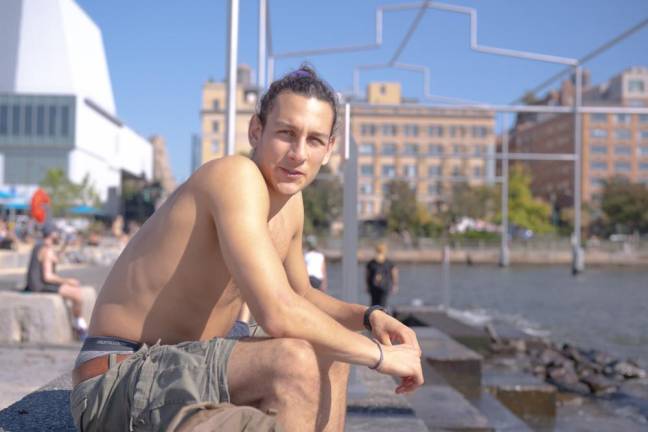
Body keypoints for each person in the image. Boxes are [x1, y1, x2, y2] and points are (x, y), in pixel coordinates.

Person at [70, 65, 423, 432]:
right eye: (286, 134)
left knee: (331, 351)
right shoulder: (234, 176)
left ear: (330, 148)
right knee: (293, 360)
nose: (298, 153)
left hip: (186, 366)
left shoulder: (291, 203)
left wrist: (370, 317)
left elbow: (301, 294)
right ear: (257, 130)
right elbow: (278, 313)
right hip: (120, 377)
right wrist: (382, 357)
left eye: (314, 140)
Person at [24, 223, 88, 338]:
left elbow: (53, 259)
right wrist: (68, 281)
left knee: (75, 290)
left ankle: (78, 323)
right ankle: (79, 325)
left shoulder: (41, 246)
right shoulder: (46, 250)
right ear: (52, 234)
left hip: (34, 284)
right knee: (77, 294)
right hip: (40, 286)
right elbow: (48, 276)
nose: (59, 235)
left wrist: (64, 247)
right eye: (57, 233)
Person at [365, 242, 399, 308]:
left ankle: (375, 316)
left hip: (377, 286)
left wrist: (367, 285)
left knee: (376, 304)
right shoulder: (388, 262)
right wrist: (395, 285)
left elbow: (367, 275)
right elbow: (394, 274)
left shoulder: (372, 263)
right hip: (381, 286)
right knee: (381, 305)